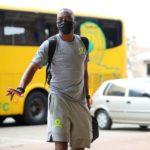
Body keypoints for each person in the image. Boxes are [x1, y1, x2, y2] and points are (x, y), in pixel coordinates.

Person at [6, 8, 92, 150]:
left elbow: (85, 72)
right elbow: (32, 67)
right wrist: (21, 87)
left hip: (79, 101)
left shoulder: (83, 43)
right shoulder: (50, 44)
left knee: (79, 145)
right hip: (59, 100)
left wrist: (87, 95)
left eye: (67, 19)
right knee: (61, 142)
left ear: (74, 22)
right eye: (60, 20)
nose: (63, 22)